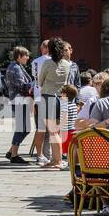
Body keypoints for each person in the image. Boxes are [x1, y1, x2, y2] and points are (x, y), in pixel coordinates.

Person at [34, 38, 70, 169]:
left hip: (49, 97)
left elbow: (40, 81)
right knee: (57, 131)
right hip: (61, 98)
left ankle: (57, 160)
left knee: (53, 132)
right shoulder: (67, 64)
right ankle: (55, 159)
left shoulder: (47, 63)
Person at [2, 46, 34, 165]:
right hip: (19, 100)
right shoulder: (15, 68)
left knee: (26, 128)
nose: (28, 57)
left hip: (20, 100)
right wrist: (36, 84)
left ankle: (11, 152)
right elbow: (23, 86)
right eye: (25, 55)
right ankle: (14, 155)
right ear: (19, 56)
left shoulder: (17, 66)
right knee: (22, 128)